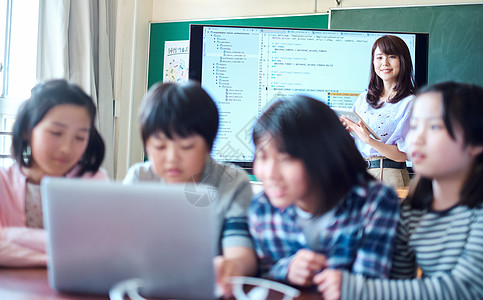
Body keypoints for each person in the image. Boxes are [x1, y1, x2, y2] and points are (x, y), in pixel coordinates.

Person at [315, 81, 483, 300]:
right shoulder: (413, 209)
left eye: (434, 127)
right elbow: (397, 284)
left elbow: (465, 290)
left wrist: (358, 288)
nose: (415, 139)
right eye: (413, 126)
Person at [248, 95, 400, 288]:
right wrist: (287, 270)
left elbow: (371, 283)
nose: (270, 174)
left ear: (321, 156)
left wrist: (347, 286)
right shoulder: (262, 207)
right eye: (262, 157)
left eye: (285, 159)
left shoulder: (374, 202)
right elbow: (257, 276)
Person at [123, 80, 257, 295]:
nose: (171, 158)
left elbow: (240, 251)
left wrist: (233, 266)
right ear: (146, 144)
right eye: (159, 147)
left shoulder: (232, 183)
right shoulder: (139, 178)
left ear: (209, 144)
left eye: (186, 147)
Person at [0, 79, 108, 267]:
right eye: (56, 133)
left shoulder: (94, 181)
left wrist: (10, 235)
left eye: (80, 137)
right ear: (27, 130)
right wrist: (56, 258)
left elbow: (99, 249)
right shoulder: (3, 180)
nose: (67, 148)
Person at [341, 35, 416, 188]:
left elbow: (404, 155)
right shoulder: (363, 99)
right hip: (361, 175)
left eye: (392, 56)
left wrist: (369, 140)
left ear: (403, 61)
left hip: (390, 176)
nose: (384, 63)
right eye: (379, 57)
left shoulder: (410, 102)